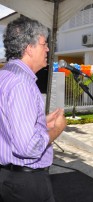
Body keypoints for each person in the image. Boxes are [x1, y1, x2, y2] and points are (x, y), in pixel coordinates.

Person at [0, 17, 67, 202]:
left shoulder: (5, 75)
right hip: (27, 184)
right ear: (29, 48)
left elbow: (6, 123)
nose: (47, 49)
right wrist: (56, 129)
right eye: (44, 44)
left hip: (8, 178)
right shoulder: (22, 84)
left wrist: (40, 121)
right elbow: (28, 147)